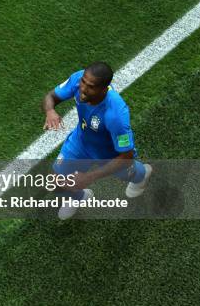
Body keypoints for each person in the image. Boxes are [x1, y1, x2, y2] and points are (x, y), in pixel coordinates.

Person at [42, 62, 152, 220]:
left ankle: (142, 174)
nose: (83, 89)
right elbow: (51, 96)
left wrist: (89, 177)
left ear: (104, 89)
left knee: (130, 173)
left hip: (109, 154)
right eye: (83, 82)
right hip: (81, 143)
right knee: (55, 182)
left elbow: (126, 156)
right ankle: (79, 198)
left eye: (91, 87)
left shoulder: (116, 114)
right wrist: (50, 111)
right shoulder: (79, 80)